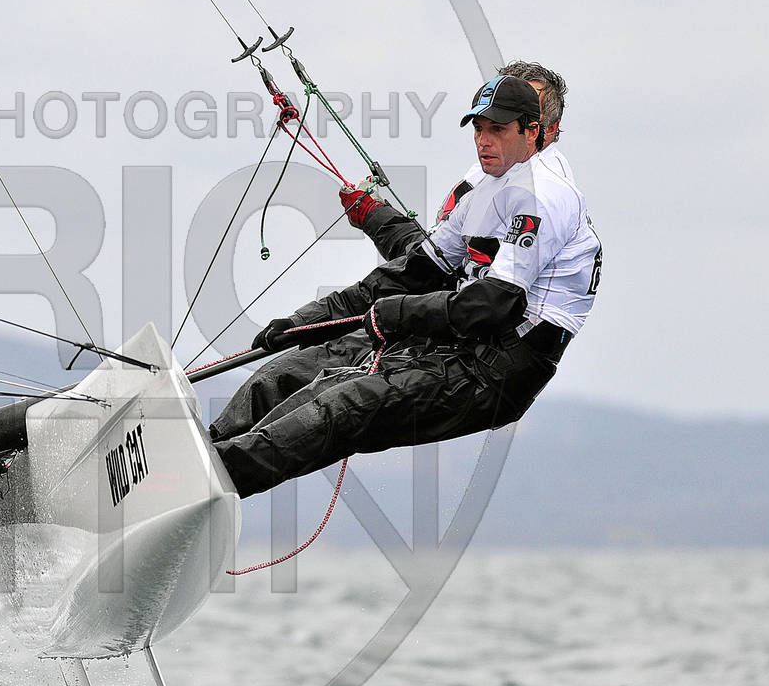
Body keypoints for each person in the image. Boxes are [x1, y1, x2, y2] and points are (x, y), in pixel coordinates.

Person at [208, 74, 600, 499]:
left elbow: (495, 304)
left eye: (498, 129)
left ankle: (214, 479)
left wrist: (399, 312)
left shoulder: (545, 194)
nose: (484, 141)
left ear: (535, 130)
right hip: (453, 339)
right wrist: (306, 321)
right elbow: (416, 269)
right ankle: (202, 450)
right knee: (288, 375)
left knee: (342, 404)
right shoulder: (485, 188)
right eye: (479, 129)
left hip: (500, 370)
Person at [341, 61, 571, 260]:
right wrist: (373, 213)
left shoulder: (544, 189)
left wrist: (373, 214)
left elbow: (450, 273)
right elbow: (431, 256)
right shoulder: (488, 171)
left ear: (549, 128)